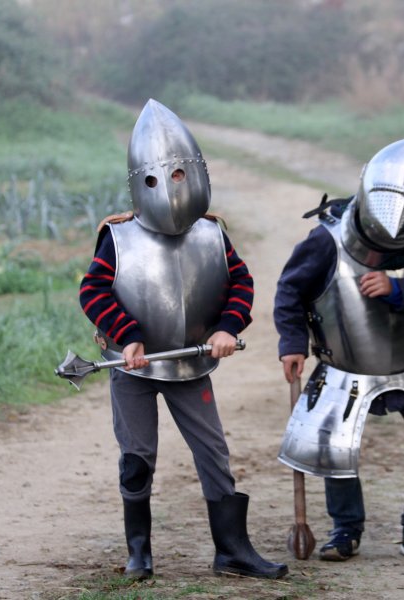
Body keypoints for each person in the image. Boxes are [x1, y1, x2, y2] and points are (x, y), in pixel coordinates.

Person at [78, 99, 287, 580]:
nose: (171, 187)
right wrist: (127, 335)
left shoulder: (212, 234)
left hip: (192, 364)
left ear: (196, 174)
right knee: (137, 456)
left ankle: (231, 550)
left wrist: (228, 327)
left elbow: (240, 283)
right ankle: (139, 552)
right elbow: (93, 291)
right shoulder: (118, 237)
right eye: (158, 178)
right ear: (139, 183)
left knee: (213, 453)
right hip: (132, 367)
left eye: (179, 174)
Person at [274, 136, 404, 564]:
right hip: (344, 367)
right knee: (336, 448)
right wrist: (292, 344)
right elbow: (290, 291)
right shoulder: (325, 240)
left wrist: (397, 288)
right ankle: (346, 530)